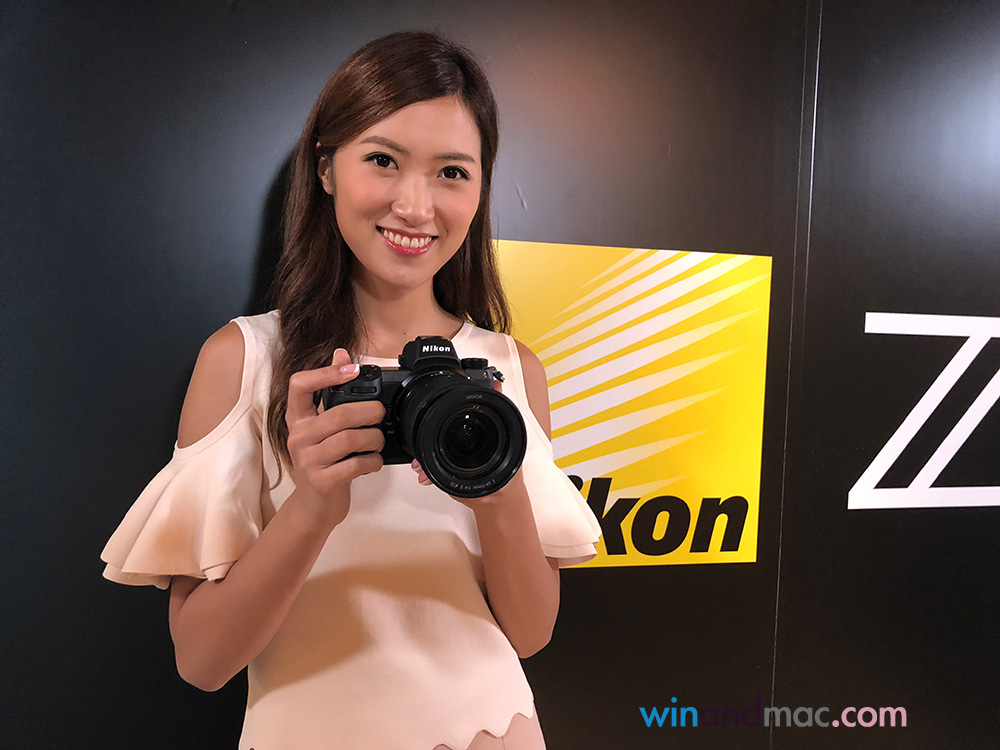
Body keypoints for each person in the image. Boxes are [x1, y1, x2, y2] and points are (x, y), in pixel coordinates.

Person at [101, 30, 601, 750]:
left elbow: (529, 633)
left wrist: (498, 499)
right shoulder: (246, 361)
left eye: (452, 172)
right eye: (383, 160)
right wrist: (312, 507)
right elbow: (202, 663)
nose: (416, 206)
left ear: (481, 188)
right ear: (326, 169)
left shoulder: (508, 370)